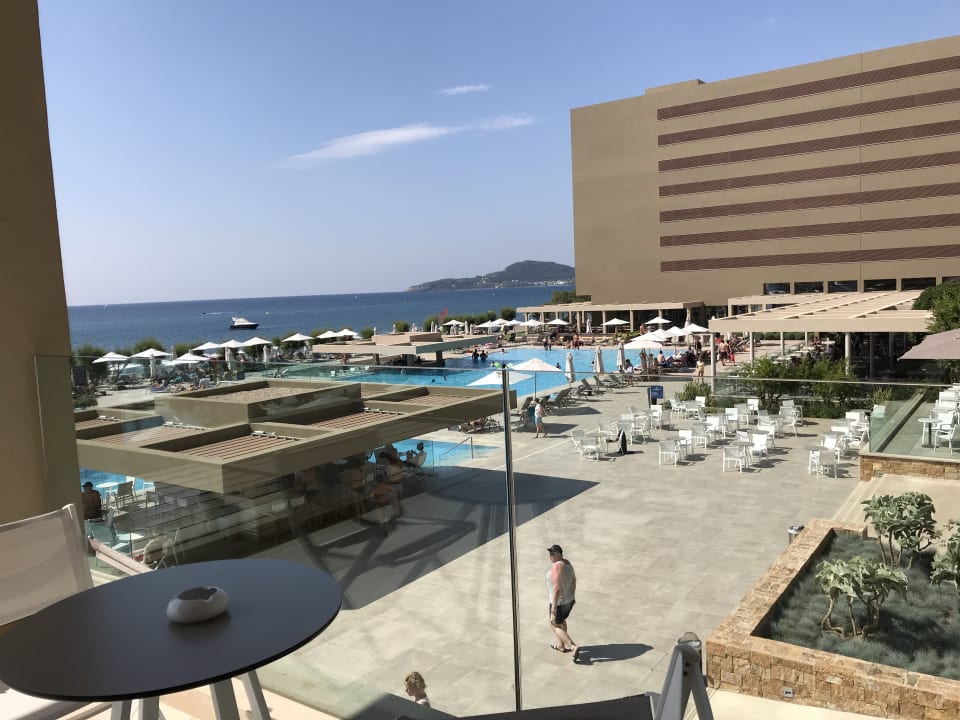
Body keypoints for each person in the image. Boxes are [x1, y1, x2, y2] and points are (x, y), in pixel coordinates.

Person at [546, 544, 580, 662]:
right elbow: (574, 580)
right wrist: (573, 596)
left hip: (558, 603)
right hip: (568, 601)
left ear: (559, 555)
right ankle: (561, 645)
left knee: (554, 625)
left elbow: (556, 588)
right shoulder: (567, 563)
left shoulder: (557, 566)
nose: (550, 556)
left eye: (552, 554)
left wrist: (553, 607)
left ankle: (572, 646)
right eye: (550, 553)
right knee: (561, 621)